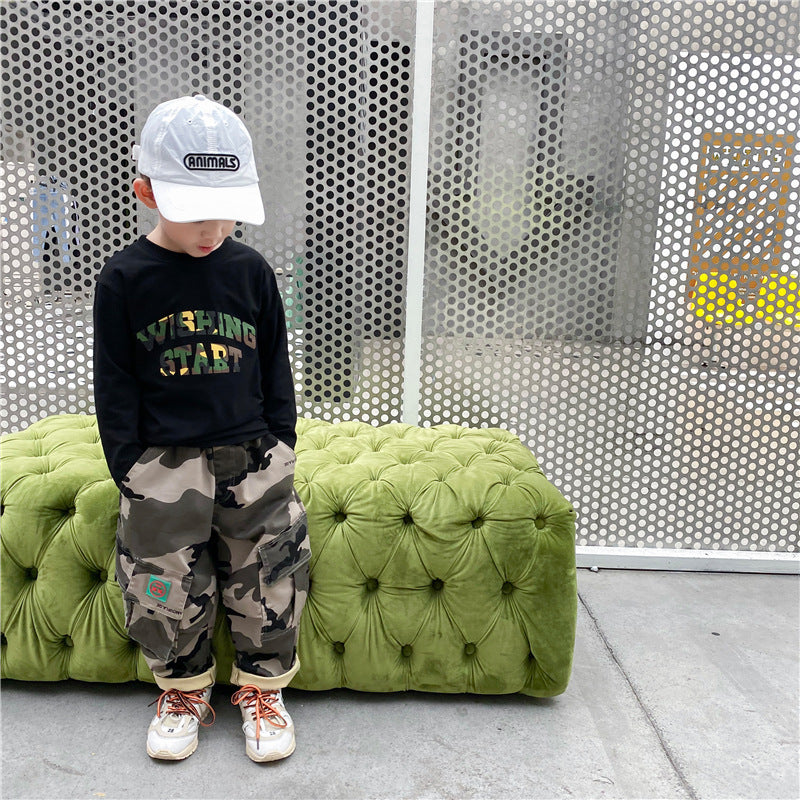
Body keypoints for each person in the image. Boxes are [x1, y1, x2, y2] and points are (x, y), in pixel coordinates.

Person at [92, 94, 310, 763]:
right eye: (194, 212)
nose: (213, 227)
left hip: (252, 454)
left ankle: (262, 690)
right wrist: (130, 466)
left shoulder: (250, 271)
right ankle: (183, 691)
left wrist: (280, 445)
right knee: (162, 580)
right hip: (162, 463)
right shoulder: (124, 279)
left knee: (270, 569)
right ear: (146, 192)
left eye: (226, 210)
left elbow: (275, 366)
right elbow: (115, 385)